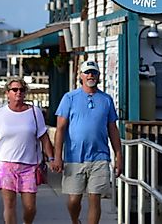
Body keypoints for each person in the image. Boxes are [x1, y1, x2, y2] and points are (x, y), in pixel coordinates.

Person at [0, 77, 54, 224]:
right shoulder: (0, 114)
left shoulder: (35, 113)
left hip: (29, 166)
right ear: (7, 93)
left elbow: (44, 138)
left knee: (30, 207)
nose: (18, 93)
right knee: (9, 205)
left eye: (21, 90)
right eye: (14, 90)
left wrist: (52, 159)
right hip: (6, 165)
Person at [51, 60, 122, 224]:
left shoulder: (106, 100)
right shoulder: (69, 98)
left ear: (99, 76)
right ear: (81, 76)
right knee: (74, 200)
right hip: (74, 158)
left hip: (100, 157)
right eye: (87, 72)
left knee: (94, 198)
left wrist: (119, 156)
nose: (91, 75)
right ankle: (75, 220)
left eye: (94, 72)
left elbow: (113, 129)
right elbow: (60, 128)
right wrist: (57, 156)